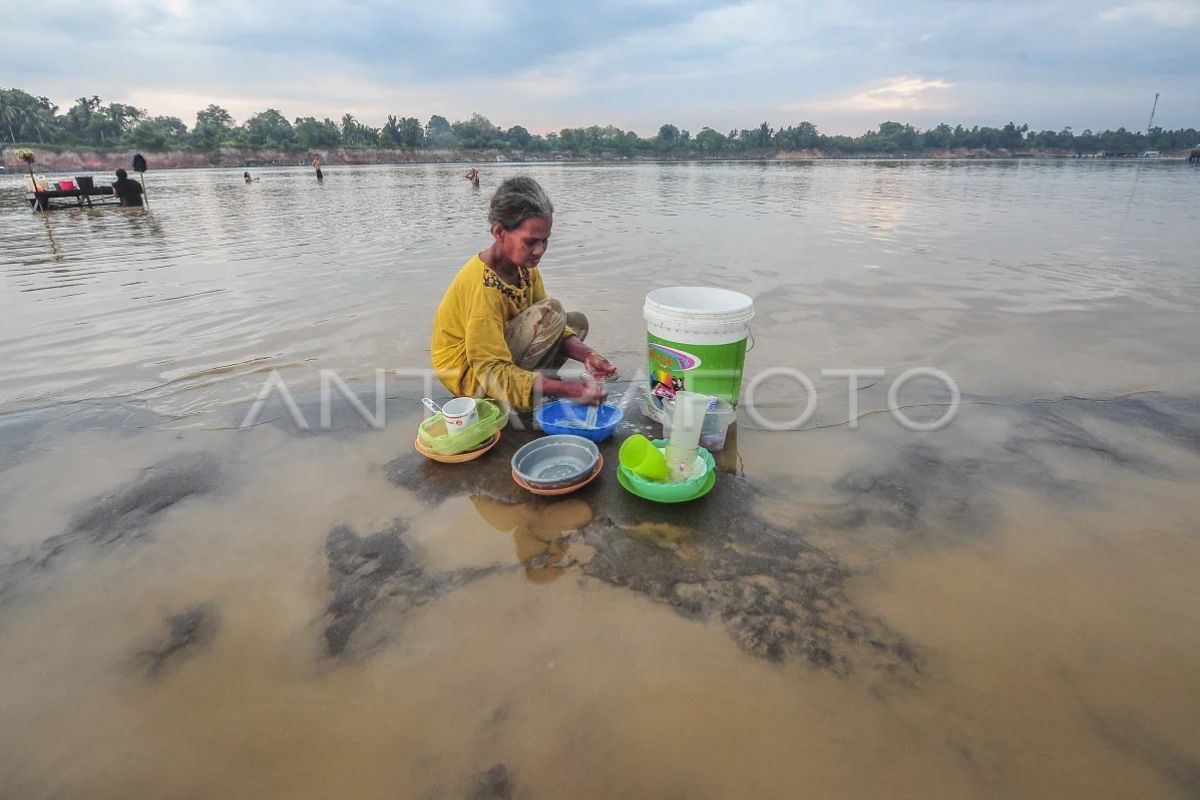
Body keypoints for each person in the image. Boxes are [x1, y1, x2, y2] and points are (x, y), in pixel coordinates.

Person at [431, 176, 617, 411]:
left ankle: (529, 385)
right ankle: (515, 395)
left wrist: (589, 356)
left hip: (499, 354)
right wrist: (568, 390)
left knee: (576, 323)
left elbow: (551, 323)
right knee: (553, 313)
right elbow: (491, 370)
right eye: (530, 242)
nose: (539, 250)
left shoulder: (524, 268)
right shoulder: (484, 287)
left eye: (545, 241)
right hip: (474, 379)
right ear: (499, 232)